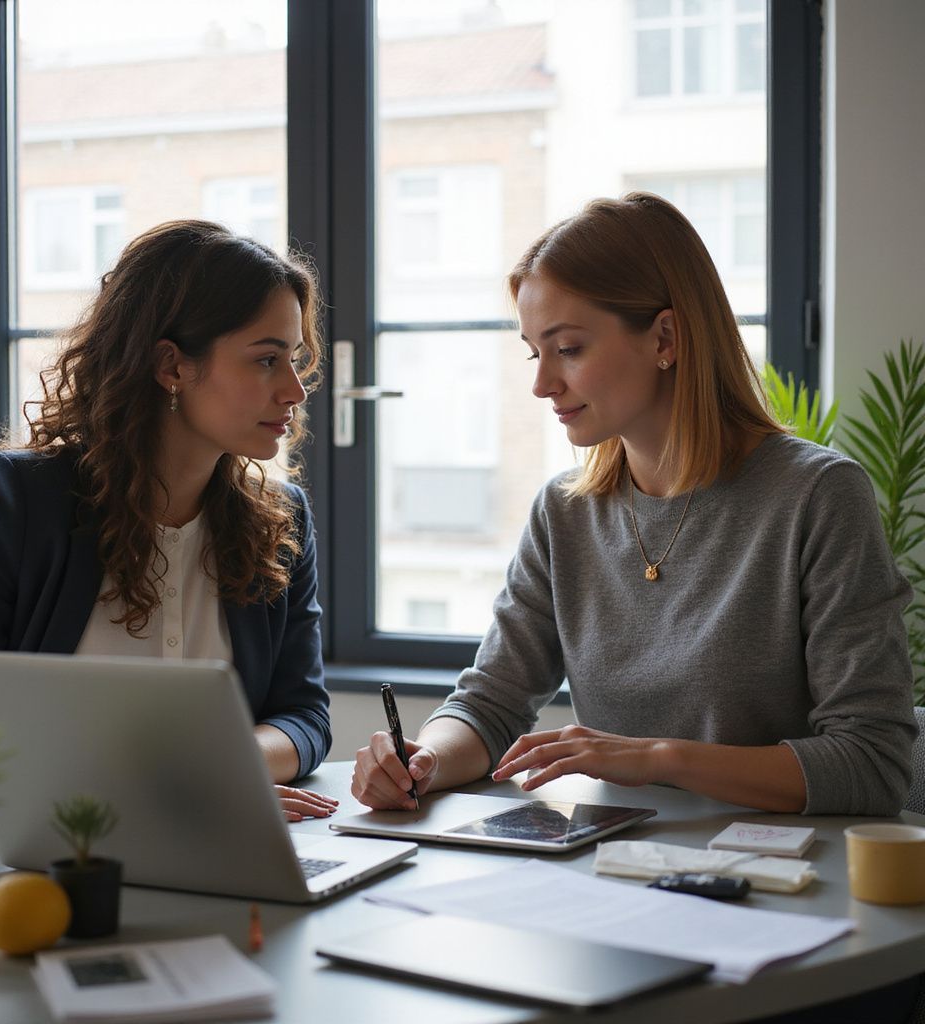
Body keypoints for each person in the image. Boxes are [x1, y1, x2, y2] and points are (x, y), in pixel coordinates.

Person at [352, 192, 917, 820]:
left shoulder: (817, 496)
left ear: (665, 338)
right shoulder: (565, 513)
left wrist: (656, 759)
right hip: (620, 871)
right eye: (534, 353)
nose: (541, 384)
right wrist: (424, 759)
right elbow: (489, 706)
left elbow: (873, 762)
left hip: (782, 879)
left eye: (568, 349)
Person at [0, 220, 337, 823]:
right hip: (42, 867)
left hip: (222, 847)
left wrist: (221, 765)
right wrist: (155, 787)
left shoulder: (280, 519)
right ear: (171, 367)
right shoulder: (26, 501)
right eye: (266, 360)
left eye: (296, 360)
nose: (294, 389)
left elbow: (304, 717)